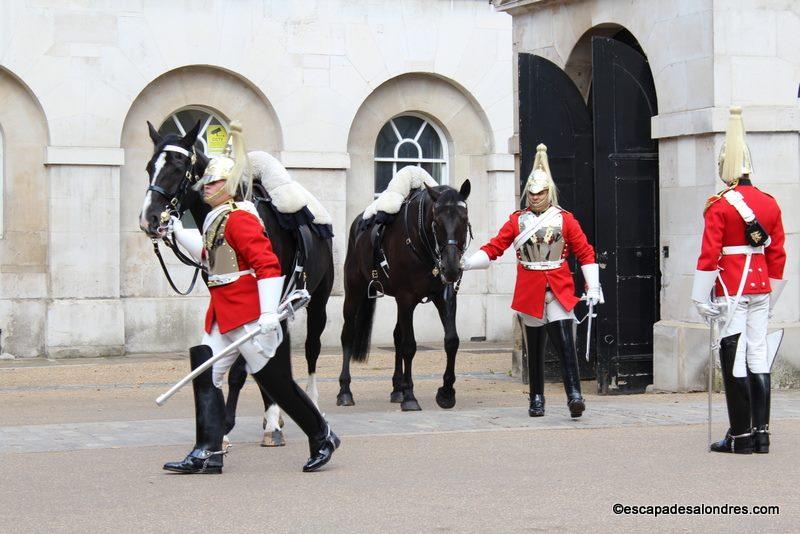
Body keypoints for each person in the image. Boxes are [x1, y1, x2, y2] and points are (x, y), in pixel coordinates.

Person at [162, 122, 339, 473]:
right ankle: (207, 451)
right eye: (206, 182)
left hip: (249, 316)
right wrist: (177, 232)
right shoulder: (216, 219)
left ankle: (322, 435)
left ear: (227, 187)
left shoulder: (241, 219)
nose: (206, 188)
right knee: (206, 376)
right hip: (221, 314)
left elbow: (268, 266)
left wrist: (270, 313)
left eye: (212, 183)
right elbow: (210, 258)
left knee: (279, 386)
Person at [462, 144, 602, 418]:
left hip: (559, 287)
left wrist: (593, 286)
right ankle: (536, 400)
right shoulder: (516, 221)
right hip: (530, 290)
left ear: (548, 192)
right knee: (535, 350)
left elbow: (585, 252)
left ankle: (574, 394)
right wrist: (468, 263)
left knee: (565, 345)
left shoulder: (565, 220)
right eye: (532, 192)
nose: (535, 197)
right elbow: (495, 248)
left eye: (540, 192)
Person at [691, 107, 786, 454]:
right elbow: (777, 253)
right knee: (759, 356)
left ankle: (740, 436)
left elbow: (709, 253)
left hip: (732, 289)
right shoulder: (770, 203)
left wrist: (701, 297)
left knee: (734, 359)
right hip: (761, 288)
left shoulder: (719, 205)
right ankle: (762, 434)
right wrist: (770, 291)